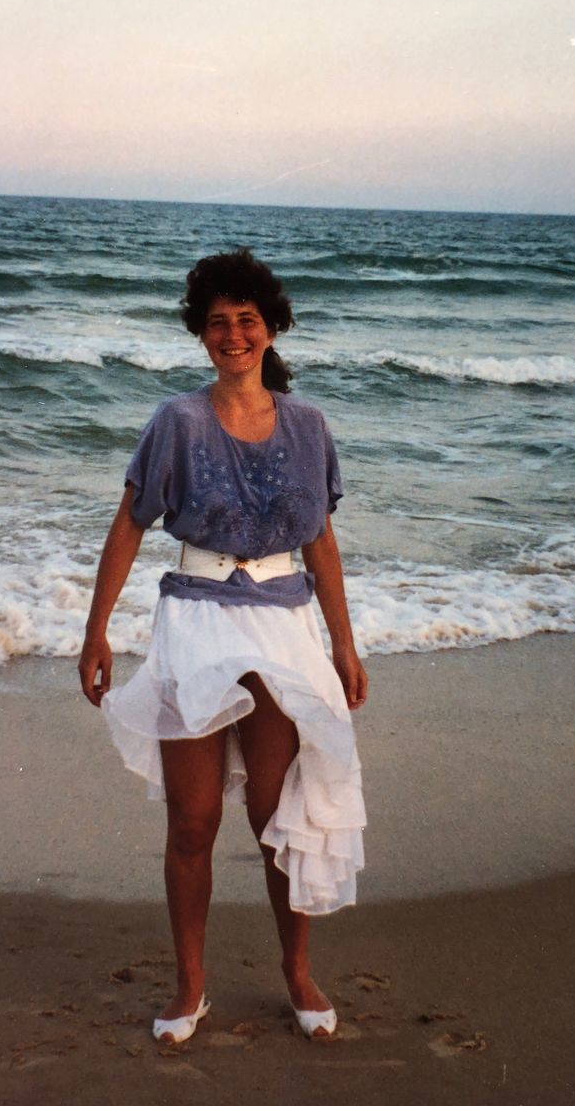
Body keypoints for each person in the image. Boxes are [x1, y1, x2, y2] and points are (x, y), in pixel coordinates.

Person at [78, 248, 368, 1044]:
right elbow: (130, 524)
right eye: (218, 323)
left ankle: (298, 971)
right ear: (201, 336)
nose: (234, 334)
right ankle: (190, 986)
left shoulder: (308, 424)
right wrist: (96, 628)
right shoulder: (177, 421)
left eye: (247, 320)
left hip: (283, 621)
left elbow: (324, 545)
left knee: (280, 812)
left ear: (271, 328)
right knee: (193, 820)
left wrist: (344, 646)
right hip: (197, 619)